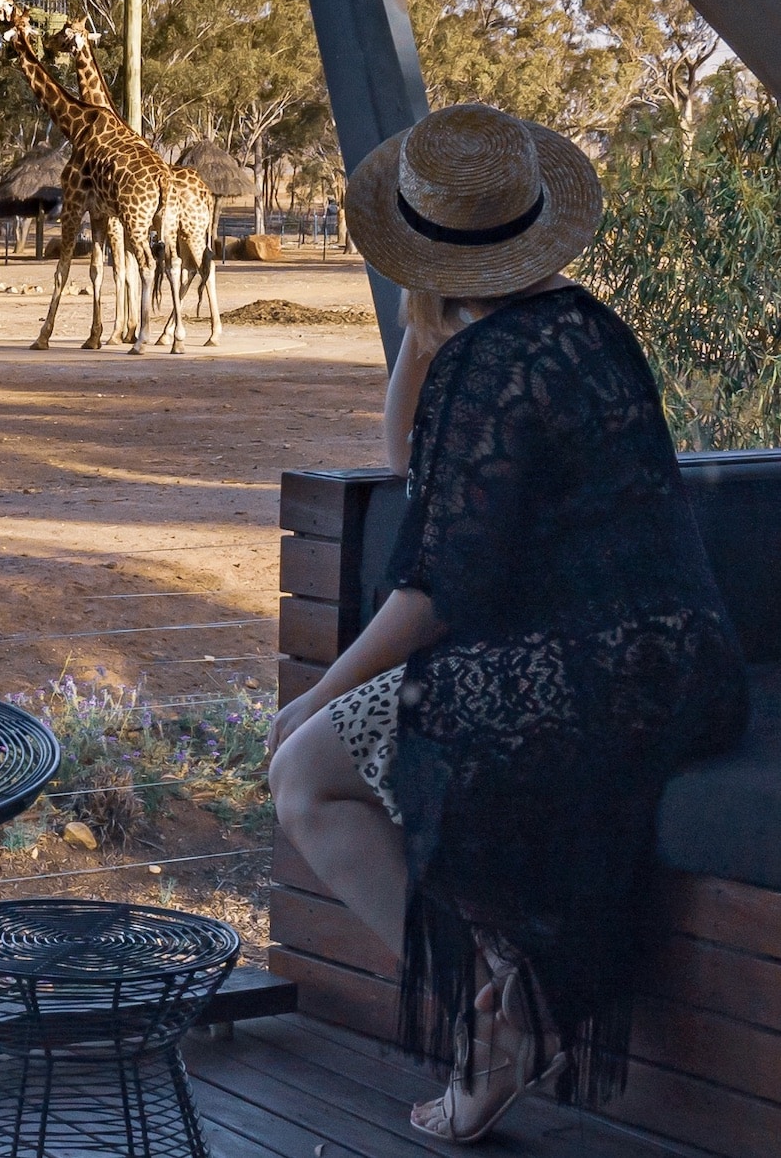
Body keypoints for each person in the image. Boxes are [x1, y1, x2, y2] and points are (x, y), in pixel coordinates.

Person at [267, 104, 748, 1143]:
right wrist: (418, 336)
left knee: (304, 772)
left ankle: (496, 1009)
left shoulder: (494, 367)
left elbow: (439, 582)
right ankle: (504, 1004)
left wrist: (318, 688)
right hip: (686, 661)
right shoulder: (583, 327)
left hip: (589, 673)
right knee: (357, 753)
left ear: (424, 241)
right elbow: (414, 470)